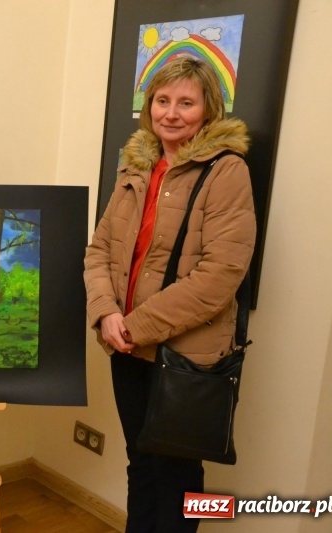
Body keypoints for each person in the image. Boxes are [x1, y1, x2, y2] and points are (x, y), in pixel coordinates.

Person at [84, 55, 255, 532]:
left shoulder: (226, 172)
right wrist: (106, 315)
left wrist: (134, 325)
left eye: (186, 102)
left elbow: (220, 275)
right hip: (125, 347)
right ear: (149, 106)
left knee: (178, 477)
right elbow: (99, 252)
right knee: (140, 462)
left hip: (183, 355)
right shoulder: (136, 167)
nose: (171, 113)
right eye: (162, 100)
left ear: (209, 109)